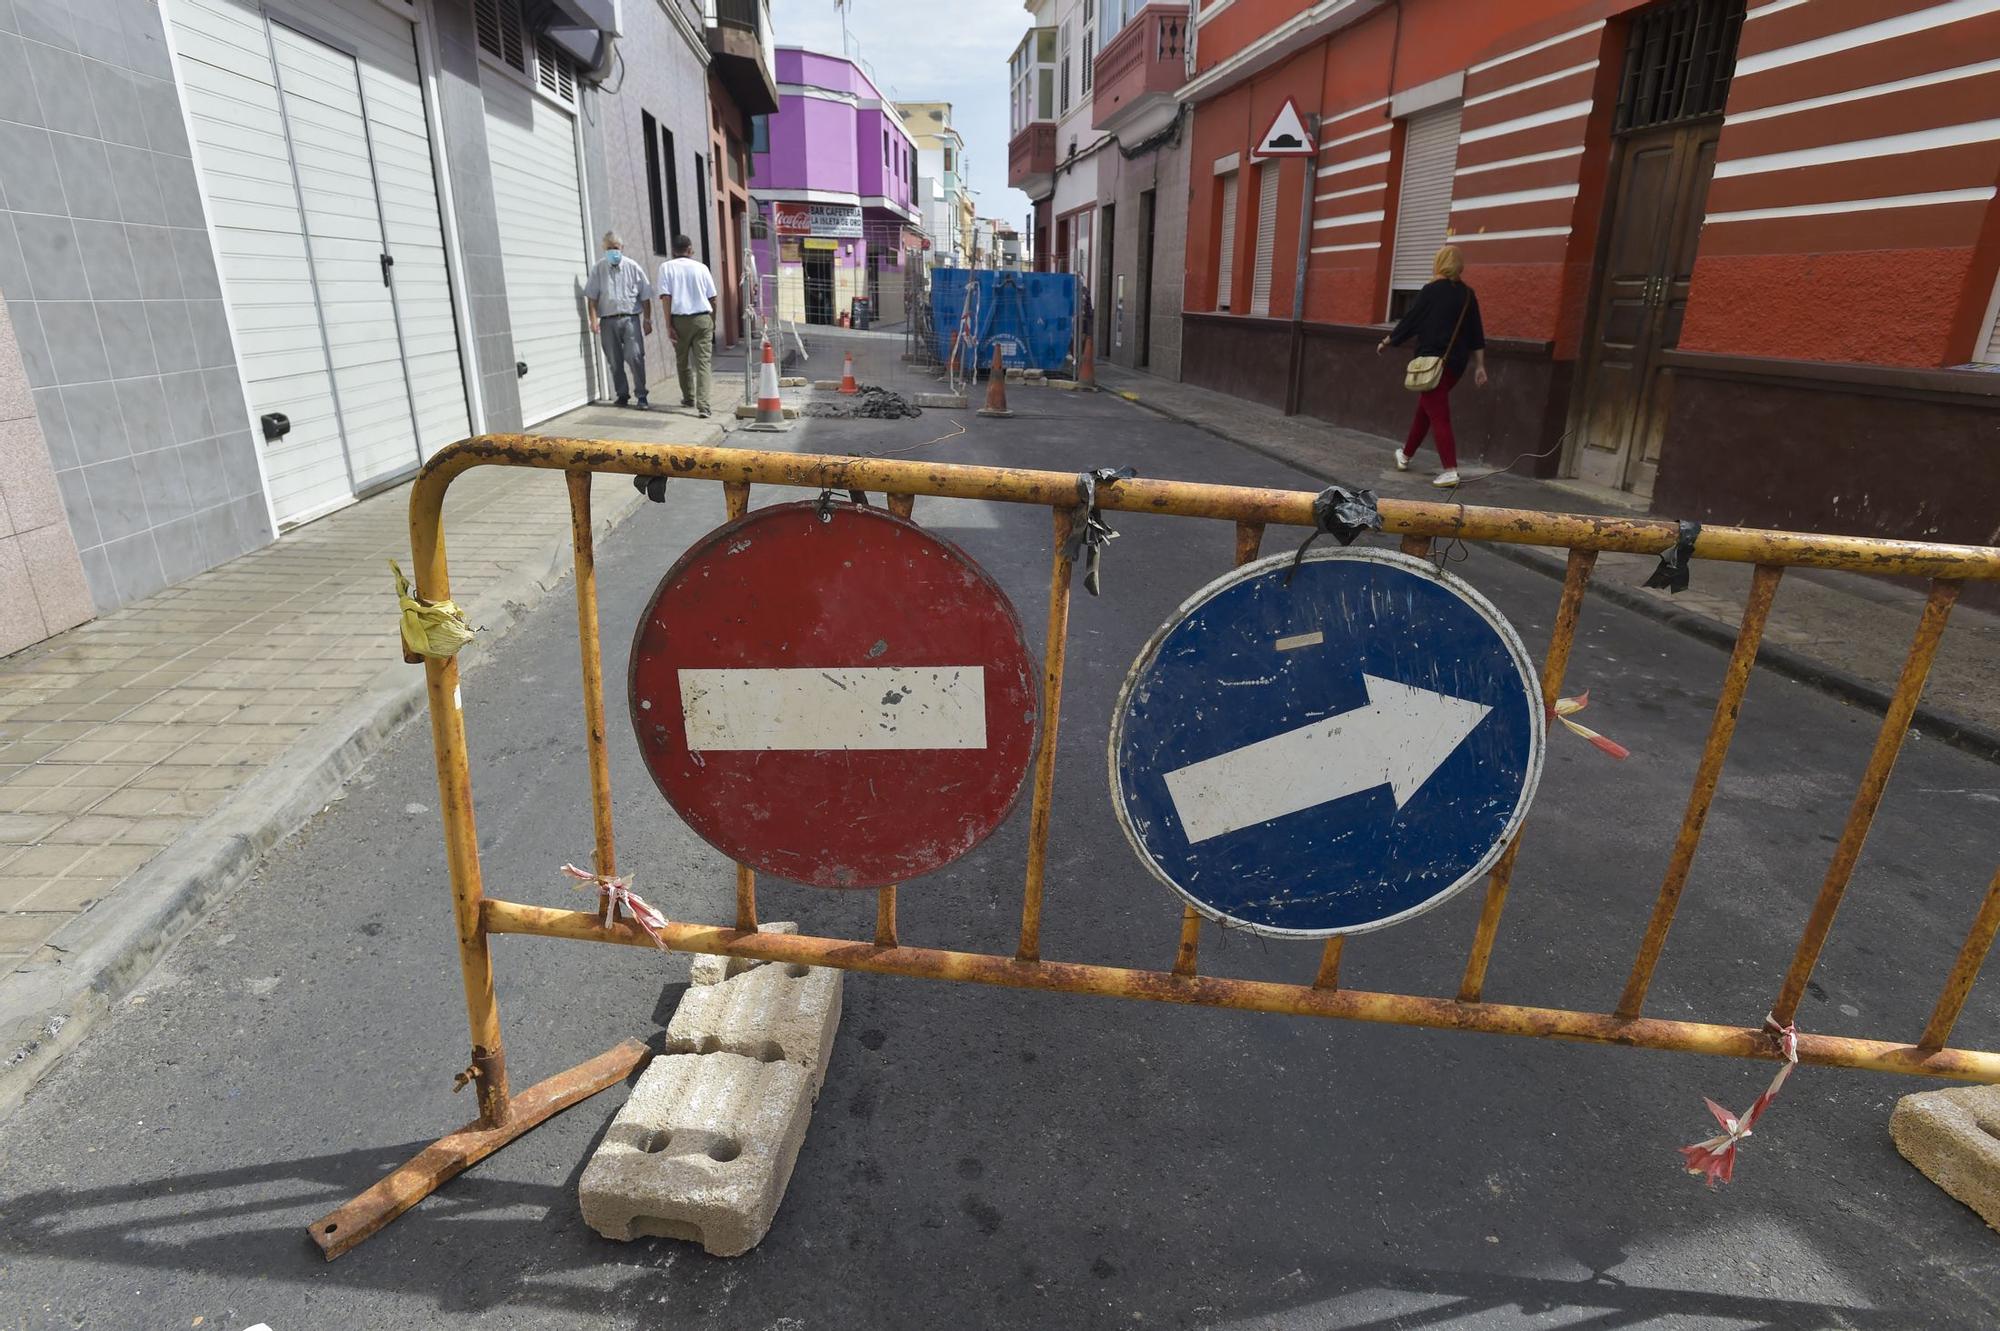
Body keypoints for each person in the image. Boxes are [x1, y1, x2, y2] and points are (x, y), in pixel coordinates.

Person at [1378, 245, 1488, 487]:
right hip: (1455, 365)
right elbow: (1476, 333)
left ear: (1439, 263)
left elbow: (1410, 321)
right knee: (1426, 410)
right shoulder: (1468, 295)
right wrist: (1480, 366)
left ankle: (1450, 470)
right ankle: (1405, 455)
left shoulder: (1430, 291)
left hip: (1431, 362)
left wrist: (1388, 341)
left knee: (1438, 415)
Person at [584, 231, 655, 408]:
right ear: (604, 249)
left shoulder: (633, 267)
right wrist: (593, 320)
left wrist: (647, 320)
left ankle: (641, 395)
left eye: (615, 248)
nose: (613, 252)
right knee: (614, 360)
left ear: (622, 248)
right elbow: (592, 298)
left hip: (630, 319)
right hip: (608, 320)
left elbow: (645, 296)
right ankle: (622, 394)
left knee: (635, 356)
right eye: (609, 249)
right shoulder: (598, 269)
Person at [657, 234, 719, 418]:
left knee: (682, 361)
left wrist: (668, 324)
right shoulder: (701, 268)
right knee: (703, 363)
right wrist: (712, 322)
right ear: (690, 249)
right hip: (702, 318)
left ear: (673, 250)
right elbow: (713, 298)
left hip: (679, 319)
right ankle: (704, 406)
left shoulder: (666, 267)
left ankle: (688, 397)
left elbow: (666, 297)